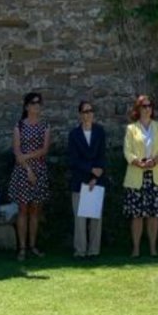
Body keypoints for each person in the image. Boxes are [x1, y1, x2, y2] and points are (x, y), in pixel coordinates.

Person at [123, 95, 158, 257]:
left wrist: (154, 161)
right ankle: (136, 248)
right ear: (138, 109)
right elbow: (127, 151)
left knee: (154, 215)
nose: (147, 109)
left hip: (156, 175)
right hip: (137, 176)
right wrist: (139, 163)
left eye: (150, 106)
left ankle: (153, 248)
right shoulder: (131, 129)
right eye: (144, 106)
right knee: (137, 215)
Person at [8, 91, 50, 261]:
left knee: (35, 210)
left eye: (39, 102)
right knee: (23, 209)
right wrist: (28, 169)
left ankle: (32, 246)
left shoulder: (45, 125)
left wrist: (26, 157)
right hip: (23, 171)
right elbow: (16, 151)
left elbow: (44, 149)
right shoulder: (19, 126)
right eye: (33, 103)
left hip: (39, 170)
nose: (37, 105)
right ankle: (22, 248)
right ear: (27, 107)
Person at [67, 100, 106, 259]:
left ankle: (94, 250)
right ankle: (80, 250)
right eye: (85, 111)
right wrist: (90, 170)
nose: (88, 114)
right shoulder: (74, 135)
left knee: (96, 218)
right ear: (80, 114)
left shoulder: (100, 132)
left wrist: (95, 176)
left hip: (97, 180)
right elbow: (73, 160)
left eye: (90, 111)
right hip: (79, 180)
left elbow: (102, 155)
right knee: (80, 218)